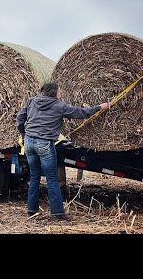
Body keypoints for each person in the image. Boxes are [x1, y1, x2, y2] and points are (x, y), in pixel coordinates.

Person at [16, 82, 110, 221]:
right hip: (45, 144)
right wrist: (99, 107)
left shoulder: (32, 101)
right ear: (53, 92)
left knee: (34, 177)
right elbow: (81, 113)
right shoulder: (59, 106)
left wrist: (25, 133)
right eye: (60, 91)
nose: (61, 93)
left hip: (29, 142)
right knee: (52, 179)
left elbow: (19, 118)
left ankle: (32, 210)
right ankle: (57, 213)